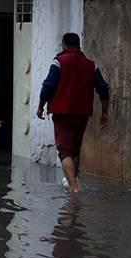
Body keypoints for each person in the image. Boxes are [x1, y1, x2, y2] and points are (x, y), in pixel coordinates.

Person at [37, 32, 110, 193]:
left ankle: (74, 188)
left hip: (62, 113)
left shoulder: (59, 62)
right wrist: (104, 112)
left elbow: (48, 85)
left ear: (64, 45)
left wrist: (41, 106)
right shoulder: (91, 65)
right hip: (82, 114)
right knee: (75, 149)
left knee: (64, 152)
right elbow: (103, 88)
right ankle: (73, 183)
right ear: (79, 46)